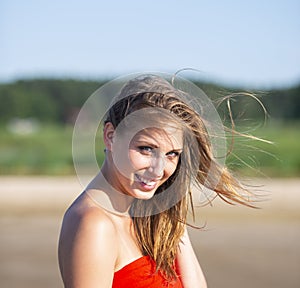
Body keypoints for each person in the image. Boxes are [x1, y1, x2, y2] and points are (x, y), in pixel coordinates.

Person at [58, 74, 253, 287]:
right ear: (111, 136)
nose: (158, 170)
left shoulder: (146, 214)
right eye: (146, 149)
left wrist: (172, 211)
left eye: (172, 154)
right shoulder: (94, 224)